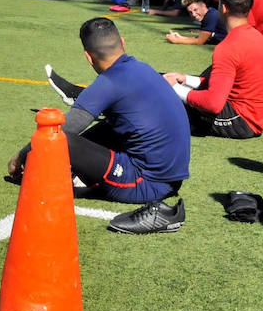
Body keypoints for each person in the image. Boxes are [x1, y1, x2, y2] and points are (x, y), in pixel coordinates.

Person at [19, 18, 191, 235]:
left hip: (146, 183)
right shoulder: (144, 68)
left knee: (63, 139)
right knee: (112, 124)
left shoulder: (107, 83)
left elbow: (63, 131)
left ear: (88, 56)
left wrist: (20, 158)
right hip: (172, 178)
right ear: (122, 42)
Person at [164, 0, 263, 138]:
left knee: (164, 101)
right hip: (255, 116)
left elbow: (213, 104)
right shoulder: (256, 36)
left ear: (224, 9)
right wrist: (186, 79)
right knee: (163, 80)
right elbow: (229, 85)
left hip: (242, 121)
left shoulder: (228, 47)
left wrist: (175, 89)